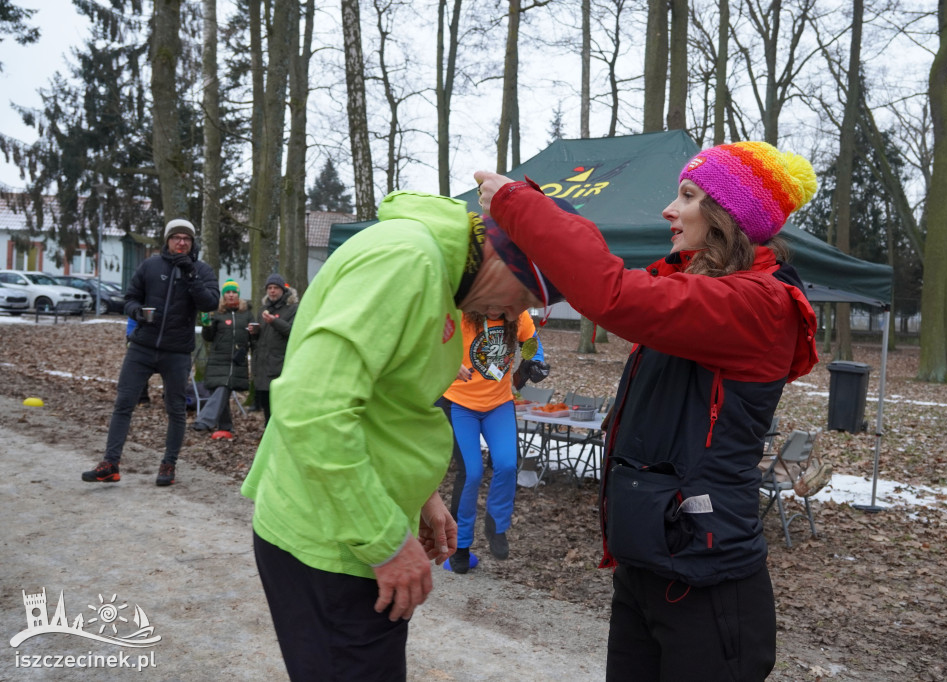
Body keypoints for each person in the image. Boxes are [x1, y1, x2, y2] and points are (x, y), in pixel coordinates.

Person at [475, 140, 820, 681]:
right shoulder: (700, 284)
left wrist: (519, 205)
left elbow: (610, 294)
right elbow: (606, 269)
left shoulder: (760, 305)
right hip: (649, 562)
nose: (668, 210)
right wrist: (539, 210)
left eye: (687, 196)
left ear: (726, 217)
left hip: (707, 581)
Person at [240, 190, 565, 680]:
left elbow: (387, 401)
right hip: (332, 540)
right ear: (500, 254)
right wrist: (386, 541)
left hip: (352, 528)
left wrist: (423, 498)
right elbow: (312, 407)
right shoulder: (408, 261)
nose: (510, 309)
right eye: (522, 295)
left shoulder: (443, 276)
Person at [83, 218, 220, 486]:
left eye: (187, 239)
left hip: (177, 351)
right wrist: (135, 311)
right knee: (124, 404)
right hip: (142, 347)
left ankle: (168, 464)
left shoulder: (202, 270)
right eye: (176, 237)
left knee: (176, 409)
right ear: (167, 240)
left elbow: (210, 303)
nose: (181, 242)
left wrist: (190, 274)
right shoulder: (150, 265)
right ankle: (110, 464)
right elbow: (131, 297)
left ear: (193, 243)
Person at [437, 301, 547, 574]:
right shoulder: (460, 315)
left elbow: (533, 344)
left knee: (508, 465)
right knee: (472, 473)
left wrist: (535, 363)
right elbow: (428, 346)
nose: (498, 309)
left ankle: (496, 526)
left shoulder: (518, 316)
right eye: (491, 303)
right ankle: (460, 546)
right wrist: (447, 364)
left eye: (505, 305)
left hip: (499, 404)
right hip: (459, 404)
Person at [191, 280, 254, 439]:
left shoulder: (246, 314)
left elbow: (253, 337)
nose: (231, 295)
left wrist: (253, 334)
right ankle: (226, 427)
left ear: (238, 295)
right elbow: (209, 337)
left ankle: (204, 421)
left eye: (234, 292)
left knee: (224, 387)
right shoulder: (217, 313)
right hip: (218, 359)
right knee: (220, 391)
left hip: (236, 360)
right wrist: (206, 326)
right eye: (227, 292)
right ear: (223, 295)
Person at [249, 273, 298, 426]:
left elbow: (293, 332)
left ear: (283, 290)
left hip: (280, 362)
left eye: (276, 288)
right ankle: (268, 429)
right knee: (265, 401)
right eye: (269, 288)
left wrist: (275, 321)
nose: (272, 291)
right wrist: (254, 332)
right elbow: (260, 338)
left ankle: (278, 429)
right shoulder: (263, 309)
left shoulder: (292, 309)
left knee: (279, 401)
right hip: (262, 363)